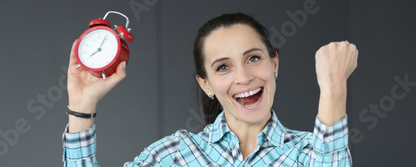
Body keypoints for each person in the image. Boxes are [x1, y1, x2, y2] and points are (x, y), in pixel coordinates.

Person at [62, 13, 357, 166]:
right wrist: (81, 105)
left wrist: (333, 88)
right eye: (223, 67)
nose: (243, 77)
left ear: (274, 63)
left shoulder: (309, 152)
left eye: (253, 58)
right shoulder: (176, 155)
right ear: (206, 84)